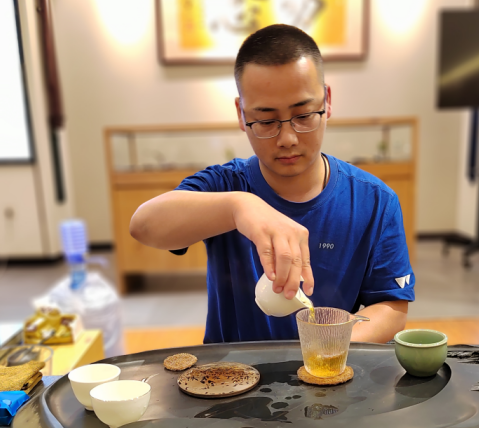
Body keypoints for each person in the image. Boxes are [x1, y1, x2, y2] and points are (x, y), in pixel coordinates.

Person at [130, 24, 415, 344]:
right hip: (230, 372)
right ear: (241, 114)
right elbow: (144, 225)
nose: (287, 138)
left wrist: (331, 345)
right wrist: (239, 207)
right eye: (266, 121)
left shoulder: (374, 201)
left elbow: (392, 307)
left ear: (327, 100)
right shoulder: (225, 184)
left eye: (303, 115)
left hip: (328, 369)